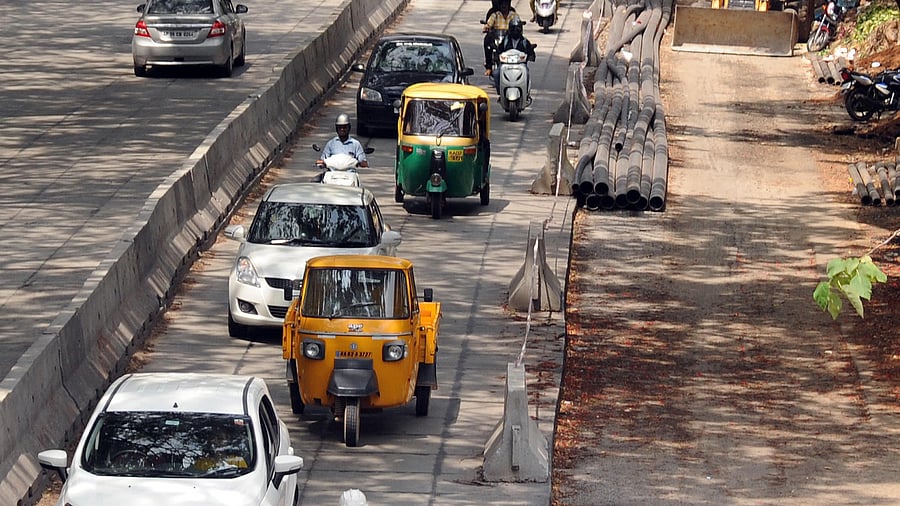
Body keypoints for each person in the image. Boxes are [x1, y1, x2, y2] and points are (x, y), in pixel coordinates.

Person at [494, 17, 536, 97]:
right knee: (496, 73)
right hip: (505, 65)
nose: (515, 31)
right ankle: (501, 92)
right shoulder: (505, 41)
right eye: (513, 29)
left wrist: (531, 55)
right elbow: (499, 50)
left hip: (520, 66)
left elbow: (530, 52)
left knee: (526, 73)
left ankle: (525, 93)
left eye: (518, 29)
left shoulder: (524, 41)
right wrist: (496, 57)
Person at [482, 0, 518, 76]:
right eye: (502, 5)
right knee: (487, 41)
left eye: (506, 4)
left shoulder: (513, 15)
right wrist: (486, 27)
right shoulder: (495, 15)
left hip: (509, 38)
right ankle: (489, 67)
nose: (504, 6)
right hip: (497, 37)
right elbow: (489, 24)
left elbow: (517, 23)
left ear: (508, 5)